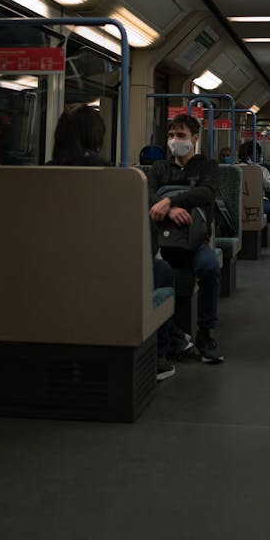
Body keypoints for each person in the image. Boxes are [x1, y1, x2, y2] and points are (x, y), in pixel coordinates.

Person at [48, 104, 190, 381]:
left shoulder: (42, 175)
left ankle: (176, 339)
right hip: (99, 272)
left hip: (52, 269)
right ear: (96, 138)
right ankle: (160, 355)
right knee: (160, 271)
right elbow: (138, 239)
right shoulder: (111, 178)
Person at [147, 113, 224, 364]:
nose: (174, 140)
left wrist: (171, 200)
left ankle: (205, 332)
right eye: (171, 135)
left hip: (194, 240)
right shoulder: (159, 168)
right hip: (160, 240)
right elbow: (146, 193)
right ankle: (174, 336)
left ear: (194, 138)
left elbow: (207, 192)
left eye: (180, 135)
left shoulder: (206, 166)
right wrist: (168, 210)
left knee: (209, 267)